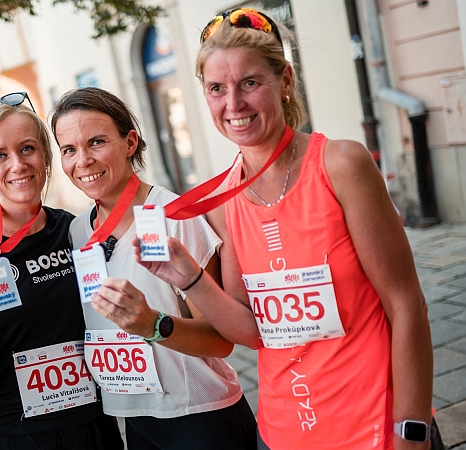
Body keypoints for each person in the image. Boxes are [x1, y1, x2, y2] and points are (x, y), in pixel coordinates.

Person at [132, 8, 434, 450]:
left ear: (286, 80)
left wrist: (412, 429)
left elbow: (407, 305)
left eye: (250, 83)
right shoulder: (223, 200)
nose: (234, 104)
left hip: (373, 425)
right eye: (217, 89)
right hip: (284, 433)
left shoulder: (341, 166)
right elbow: (252, 333)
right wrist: (191, 279)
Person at [50, 87, 256, 449]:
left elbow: (221, 339)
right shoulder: (77, 230)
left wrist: (153, 325)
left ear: (130, 142)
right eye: (69, 149)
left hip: (199, 416)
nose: (83, 160)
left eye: (96, 142)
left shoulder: (175, 216)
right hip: (135, 419)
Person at [0, 94, 123, 449]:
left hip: (93, 426)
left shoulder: (75, 230)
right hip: (18, 435)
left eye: (27, 149)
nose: (17, 164)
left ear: (45, 156)